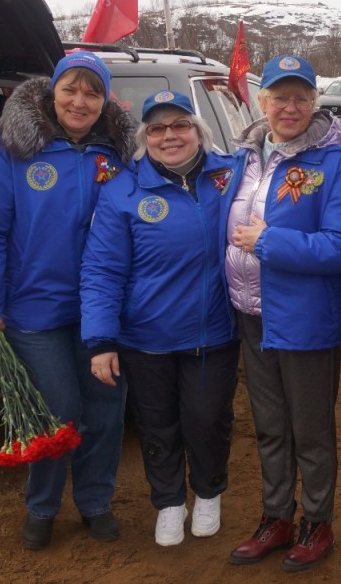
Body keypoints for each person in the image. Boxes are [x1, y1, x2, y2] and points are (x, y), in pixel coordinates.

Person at [0, 51, 138, 550]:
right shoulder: (10, 149)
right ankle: (42, 505)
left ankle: (96, 502)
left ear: (105, 101)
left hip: (101, 309)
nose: (80, 102)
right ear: (52, 92)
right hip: (33, 309)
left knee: (105, 409)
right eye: (71, 90)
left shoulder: (118, 153)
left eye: (92, 93)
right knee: (55, 410)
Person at [80, 91, 242, 547]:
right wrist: (100, 339)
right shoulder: (122, 191)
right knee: (157, 425)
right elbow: (101, 269)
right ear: (144, 137)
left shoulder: (229, 175)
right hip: (146, 338)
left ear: (198, 131)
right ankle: (169, 502)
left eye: (180, 125)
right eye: (157, 128)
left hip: (214, 333)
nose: (169, 136)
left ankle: (208, 493)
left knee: (208, 419)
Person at [224, 54, 341, 571]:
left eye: (301, 97)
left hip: (304, 319)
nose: (290, 106)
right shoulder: (243, 158)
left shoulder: (335, 165)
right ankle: (276, 516)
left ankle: (317, 520)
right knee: (269, 425)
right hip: (250, 313)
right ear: (262, 102)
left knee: (309, 429)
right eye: (280, 96)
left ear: (314, 103)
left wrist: (269, 241)